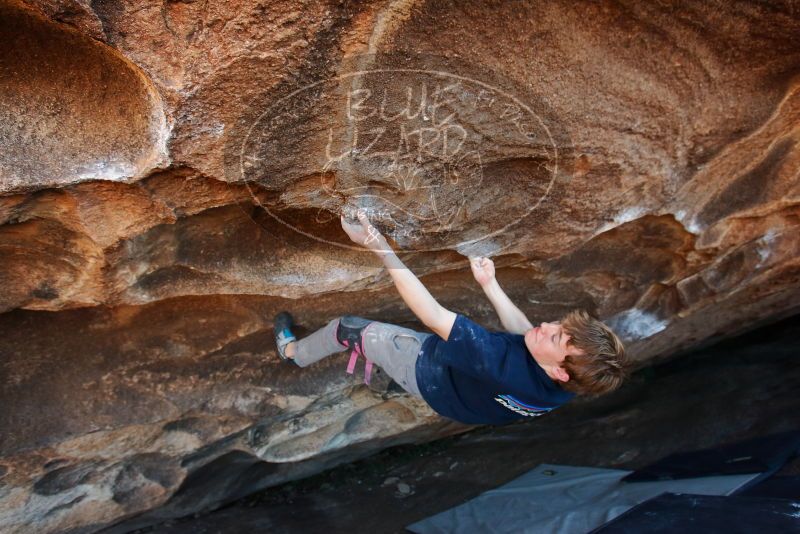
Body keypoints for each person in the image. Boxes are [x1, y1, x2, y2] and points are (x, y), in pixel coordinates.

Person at [272, 210, 627, 425]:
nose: (547, 326)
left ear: (560, 370)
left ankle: (293, 355)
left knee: (348, 328)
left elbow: (432, 315)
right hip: (466, 402)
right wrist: (490, 285)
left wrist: (378, 245)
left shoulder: (494, 360)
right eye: (559, 327)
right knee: (514, 345)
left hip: (432, 376)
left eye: (556, 337)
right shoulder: (573, 382)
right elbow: (526, 336)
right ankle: (389, 377)